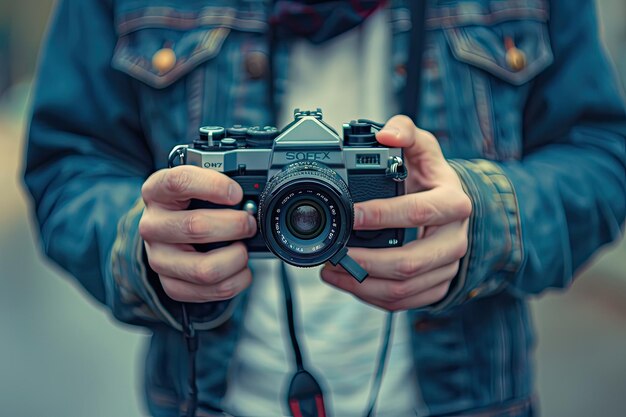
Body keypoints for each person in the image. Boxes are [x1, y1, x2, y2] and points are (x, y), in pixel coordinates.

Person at [24, 0, 625, 416]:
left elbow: (603, 160)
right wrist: (146, 244)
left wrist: (486, 217)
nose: (305, 215)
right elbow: (67, 166)